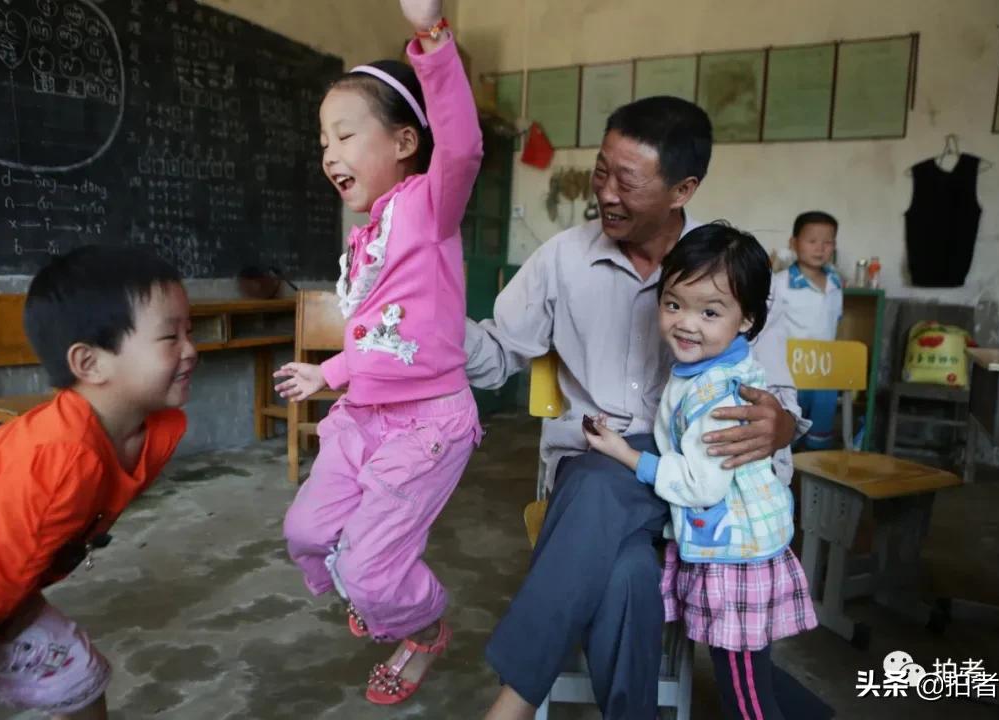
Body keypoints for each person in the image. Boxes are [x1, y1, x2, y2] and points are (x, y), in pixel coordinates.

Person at [467, 96, 814, 720]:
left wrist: (781, 425)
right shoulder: (562, 260)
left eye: (628, 181)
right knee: (625, 571)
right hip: (598, 463)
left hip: (703, 480)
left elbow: (781, 401)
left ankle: (514, 699)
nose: (607, 193)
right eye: (602, 171)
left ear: (683, 188)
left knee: (604, 496)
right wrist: (440, 326)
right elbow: (495, 355)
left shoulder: (731, 270)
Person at [272, 0, 482, 705]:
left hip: (427, 428)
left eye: (344, 134)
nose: (329, 153)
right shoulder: (367, 239)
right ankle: (376, 585)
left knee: (369, 567)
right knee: (305, 530)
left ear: (402, 142)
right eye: (323, 140)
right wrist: (324, 372)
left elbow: (462, 145)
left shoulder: (430, 205)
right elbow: (384, 341)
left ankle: (420, 629)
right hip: (366, 416)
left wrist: (433, 38)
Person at [0, 246, 194, 719]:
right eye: (169, 337)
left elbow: (10, 567)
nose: (191, 349)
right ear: (90, 363)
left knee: (76, 679)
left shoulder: (150, 431)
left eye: (189, 331)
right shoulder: (60, 457)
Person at [584, 223, 817, 720]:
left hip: (734, 558)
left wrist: (624, 453)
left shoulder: (716, 395)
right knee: (750, 677)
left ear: (748, 318)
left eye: (710, 312)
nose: (686, 324)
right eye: (673, 304)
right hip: (745, 541)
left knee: (745, 696)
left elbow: (699, 484)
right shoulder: (713, 366)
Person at [770, 211, 843, 449]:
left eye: (827, 242)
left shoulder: (836, 283)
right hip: (789, 375)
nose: (820, 248)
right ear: (794, 243)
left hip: (825, 376)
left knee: (818, 441)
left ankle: (811, 484)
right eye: (812, 241)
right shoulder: (779, 283)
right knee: (784, 438)